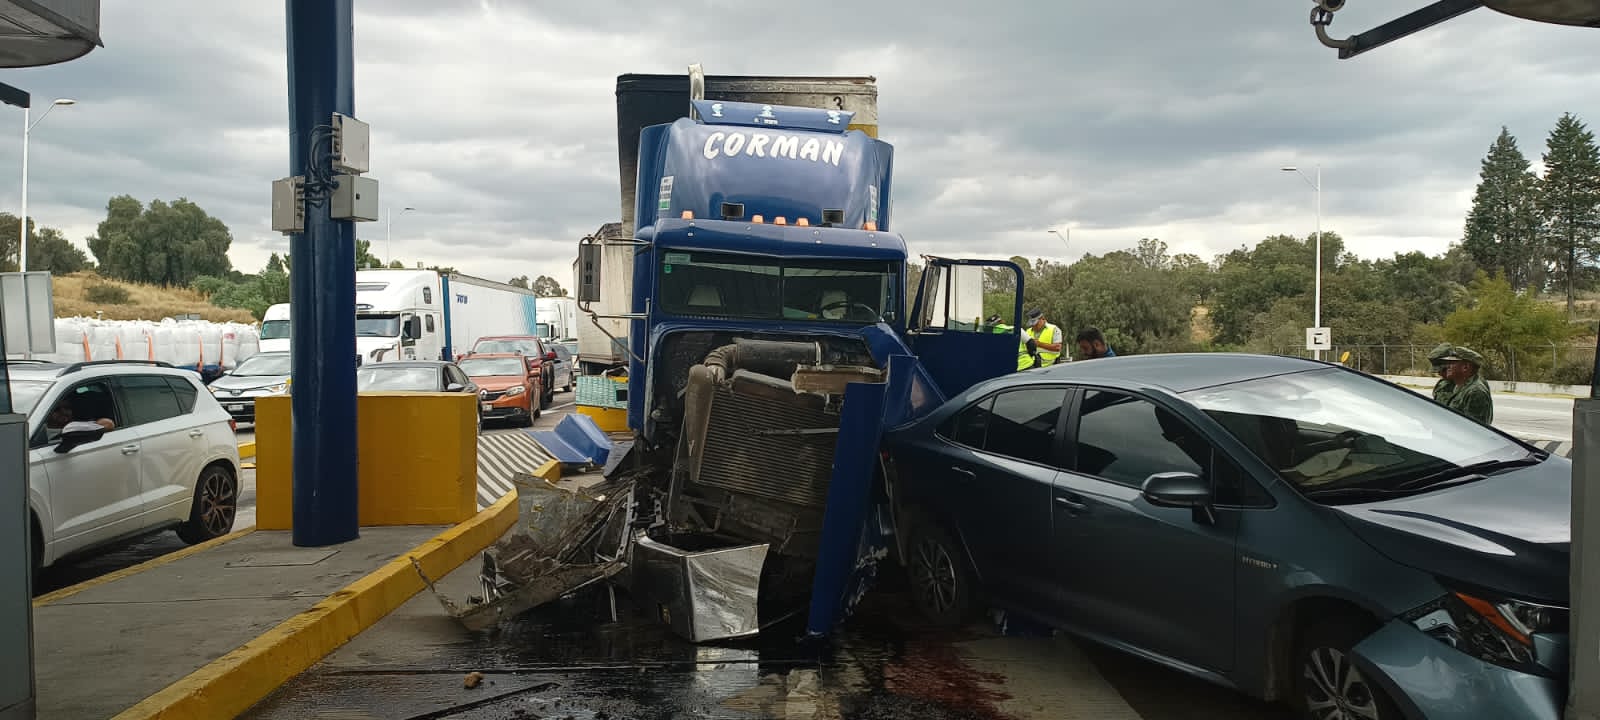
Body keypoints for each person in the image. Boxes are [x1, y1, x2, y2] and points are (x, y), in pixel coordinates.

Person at [1429, 343, 1493, 425]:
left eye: (1452, 362)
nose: (1447, 365)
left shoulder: (1475, 392)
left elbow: (1475, 429)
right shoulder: (1459, 386)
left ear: (1465, 367)